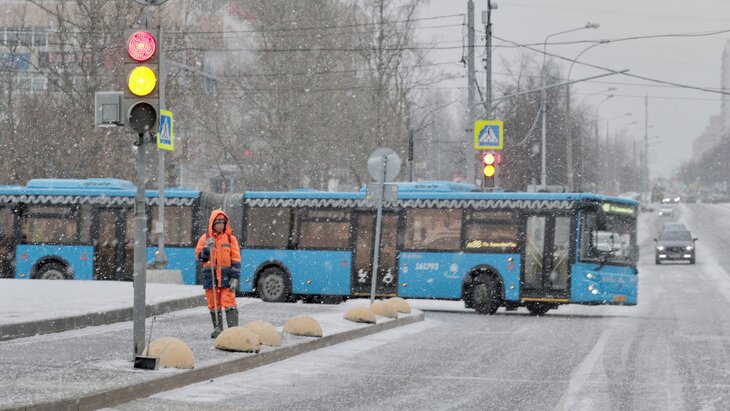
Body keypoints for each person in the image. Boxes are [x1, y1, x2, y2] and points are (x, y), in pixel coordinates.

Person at [195, 209, 241, 338]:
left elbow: (236, 259)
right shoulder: (205, 239)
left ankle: (233, 332)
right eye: (218, 222)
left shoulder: (231, 239)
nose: (220, 225)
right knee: (213, 304)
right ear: (212, 224)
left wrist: (235, 278)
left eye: (223, 222)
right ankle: (218, 329)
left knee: (229, 302)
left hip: (227, 277)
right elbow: (199, 257)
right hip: (211, 277)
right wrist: (206, 249)